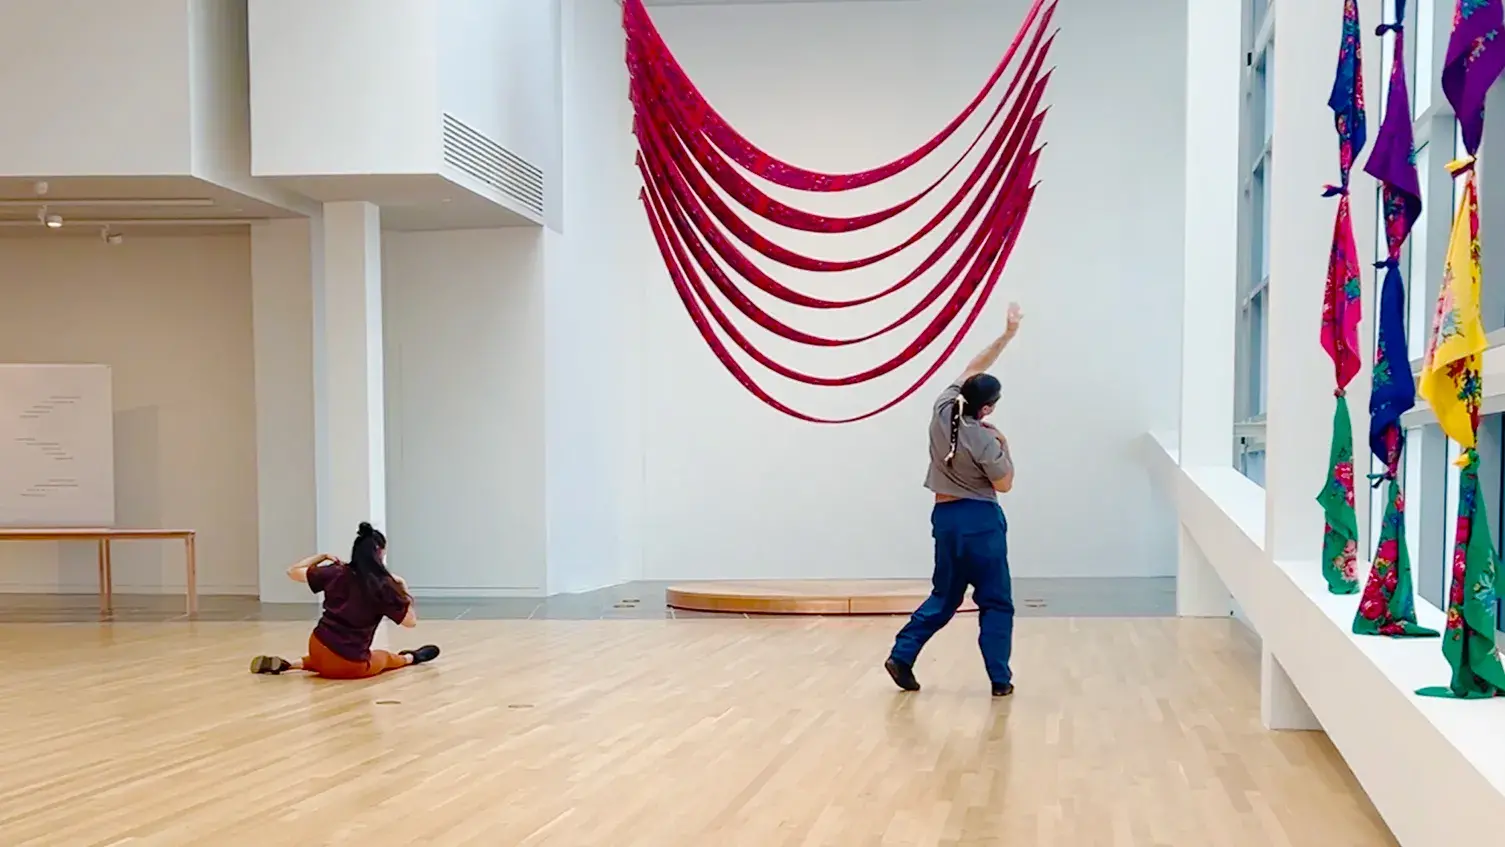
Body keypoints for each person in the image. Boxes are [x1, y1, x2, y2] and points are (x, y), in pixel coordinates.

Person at [885, 302, 1022, 697]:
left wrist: (1006, 336)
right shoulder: (984, 438)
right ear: (987, 408)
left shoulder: (943, 407)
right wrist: (1006, 445)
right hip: (980, 521)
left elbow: (973, 366)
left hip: (945, 519)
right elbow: (1006, 483)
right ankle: (999, 678)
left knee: (945, 596)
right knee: (995, 602)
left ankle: (902, 654)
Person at [250, 522, 440, 679]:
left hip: (317, 645)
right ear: (380, 553)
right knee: (384, 658)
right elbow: (411, 622)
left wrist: (321, 557)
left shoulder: (336, 572)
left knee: (324, 659)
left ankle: (290, 664)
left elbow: (292, 571)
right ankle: (412, 657)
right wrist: (402, 588)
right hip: (349, 663)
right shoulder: (384, 587)